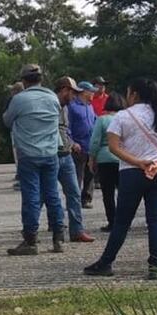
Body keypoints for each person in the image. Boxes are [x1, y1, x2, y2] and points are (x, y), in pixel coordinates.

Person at [83, 78, 157, 279]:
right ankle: (155, 266)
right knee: (156, 220)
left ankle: (106, 262)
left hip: (132, 173)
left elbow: (114, 147)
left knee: (122, 221)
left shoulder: (123, 116)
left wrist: (138, 162)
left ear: (134, 94)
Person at [3, 65, 64, 256]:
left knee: (31, 196)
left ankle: (30, 239)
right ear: (40, 80)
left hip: (28, 154)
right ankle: (58, 238)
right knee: (53, 194)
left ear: (24, 81)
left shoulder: (19, 99)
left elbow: (7, 120)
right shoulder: (53, 97)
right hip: (50, 153)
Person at [53, 77, 95, 243]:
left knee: (74, 192)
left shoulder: (66, 107)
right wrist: (72, 142)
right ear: (64, 90)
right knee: (48, 194)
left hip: (66, 154)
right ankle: (54, 228)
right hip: (54, 154)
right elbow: (56, 129)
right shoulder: (54, 106)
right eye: (73, 92)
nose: (74, 96)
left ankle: (77, 230)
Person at [88, 91, 125, 232]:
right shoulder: (126, 118)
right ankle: (124, 220)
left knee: (108, 193)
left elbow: (95, 140)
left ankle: (112, 221)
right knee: (123, 192)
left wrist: (92, 158)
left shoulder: (102, 120)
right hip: (123, 157)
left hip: (105, 157)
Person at [68, 81, 98, 208]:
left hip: (90, 146)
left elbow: (95, 122)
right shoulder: (72, 106)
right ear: (84, 92)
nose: (93, 94)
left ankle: (86, 198)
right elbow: (67, 126)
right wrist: (72, 142)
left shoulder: (90, 106)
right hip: (78, 147)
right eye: (91, 91)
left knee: (90, 174)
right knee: (78, 175)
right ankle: (75, 199)